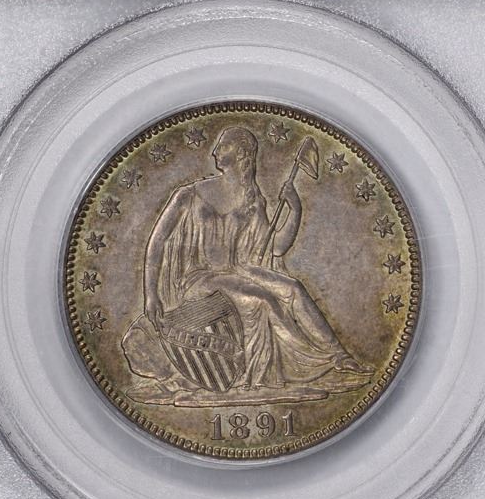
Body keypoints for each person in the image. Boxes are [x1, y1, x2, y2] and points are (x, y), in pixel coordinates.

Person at [122, 126, 371, 396]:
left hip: (239, 270)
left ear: (241, 153)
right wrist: (151, 295)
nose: (215, 152)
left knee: (293, 288)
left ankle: (337, 357)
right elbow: (157, 242)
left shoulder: (252, 199)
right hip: (200, 279)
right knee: (263, 298)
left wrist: (295, 209)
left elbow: (276, 247)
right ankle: (276, 374)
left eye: (223, 146)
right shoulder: (188, 194)